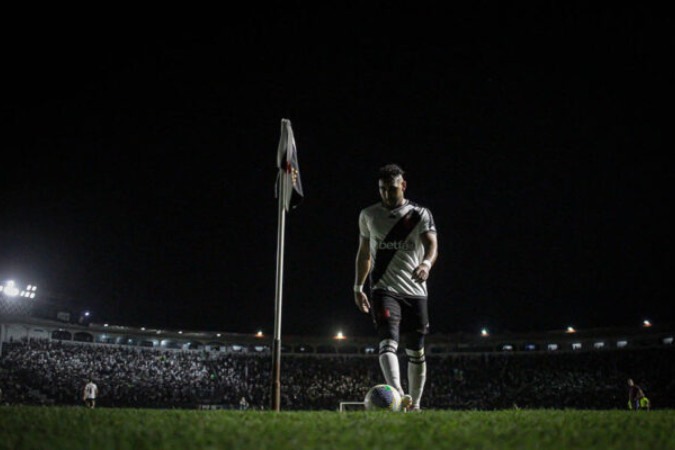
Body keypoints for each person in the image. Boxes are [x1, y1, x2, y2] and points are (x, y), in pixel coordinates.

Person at [354, 163, 438, 412]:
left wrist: (426, 264)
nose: (386, 194)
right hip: (383, 288)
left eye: (391, 189)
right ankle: (398, 396)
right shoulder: (368, 215)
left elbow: (433, 245)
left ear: (403, 185)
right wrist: (358, 286)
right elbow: (363, 254)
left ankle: (416, 405)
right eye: (382, 189)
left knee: (416, 349)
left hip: (415, 290)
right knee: (387, 342)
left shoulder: (420, 214)